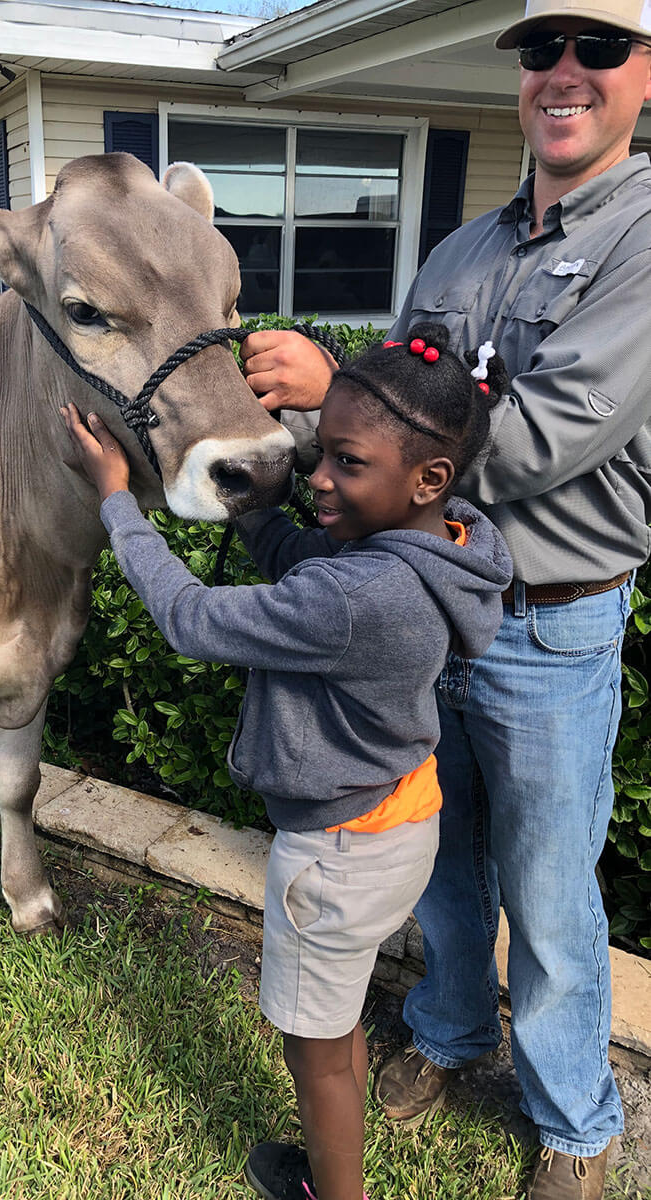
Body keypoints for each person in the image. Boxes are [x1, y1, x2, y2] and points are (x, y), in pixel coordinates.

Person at [237, 4, 651, 1197]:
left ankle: (576, 1121)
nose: (563, 73)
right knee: (440, 858)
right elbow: (379, 418)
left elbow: (546, 434)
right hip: (416, 607)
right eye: (540, 51)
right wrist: (308, 403)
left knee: (550, 885)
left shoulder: (639, 239)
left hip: (549, 617)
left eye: (597, 49)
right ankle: (454, 1034)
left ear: (641, 75)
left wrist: (336, 383)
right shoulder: (462, 251)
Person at [62, 323, 513, 1200]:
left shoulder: (355, 597)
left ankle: (332, 1191)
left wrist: (117, 499)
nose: (318, 478)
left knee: (315, 1059)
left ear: (426, 478)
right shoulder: (442, 546)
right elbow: (309, 558)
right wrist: (258, 504)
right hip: (398, 822)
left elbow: (192, 619)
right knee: (333, 1016)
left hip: (334, 855)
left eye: (345, 463)